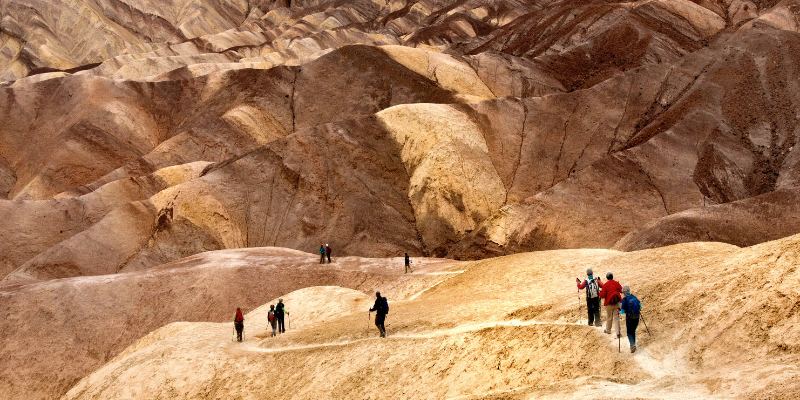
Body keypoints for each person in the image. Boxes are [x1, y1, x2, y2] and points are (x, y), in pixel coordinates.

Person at [599, 272, 623, 337]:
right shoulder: (616, 283)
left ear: (607, 278)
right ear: (612, 277)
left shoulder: (605, 285)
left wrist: (600, 292)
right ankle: (618, 333)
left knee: (609, 317)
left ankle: (608, 330)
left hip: (609, 304)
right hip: (616, 303)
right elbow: (621, 290)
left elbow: (602, 295)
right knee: (616, 318)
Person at [619, 285, 642, 353]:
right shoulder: (634, 297)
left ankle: (632, 345)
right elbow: (641, 306)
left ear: (624, 292)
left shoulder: (624, 300)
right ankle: (633, 344)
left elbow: (622, 312)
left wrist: (619, 311)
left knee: (629, 332)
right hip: (637, 317)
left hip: (629, 318)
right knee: (633, 331)